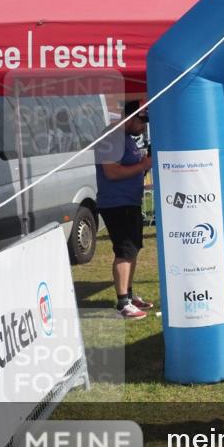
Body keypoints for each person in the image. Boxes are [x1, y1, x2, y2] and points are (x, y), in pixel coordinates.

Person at [95, 100, 154, 319]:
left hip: (130, 201)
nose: (143, 127)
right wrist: (144, 165)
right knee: (124, 251)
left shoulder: (127, 138)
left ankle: (128, 295)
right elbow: (111, 172)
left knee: (132, 250)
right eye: (141, 121)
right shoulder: (111, 137)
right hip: (116, 203)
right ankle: (123, 303)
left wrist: (142, 169)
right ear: (130, 117)